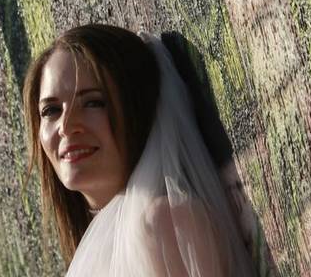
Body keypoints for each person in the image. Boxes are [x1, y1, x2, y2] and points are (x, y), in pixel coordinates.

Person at [22, 24, 255, 276]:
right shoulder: (95, 245)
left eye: (93, 103)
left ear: (138, 111)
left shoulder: (165, 224)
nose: (66, 126)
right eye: (51, 110)